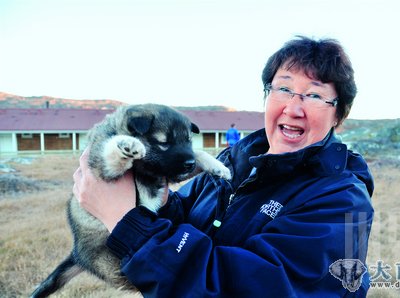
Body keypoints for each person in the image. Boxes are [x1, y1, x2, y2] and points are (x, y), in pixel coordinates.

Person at [73, 35, 374, 297]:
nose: (293, 108)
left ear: (338, 116)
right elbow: (182, 215)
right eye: (283, 88)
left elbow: (249, 288)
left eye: (314, 95)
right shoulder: (232, 164)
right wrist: (157, 199)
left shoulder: (341, 202)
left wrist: (125, 221)